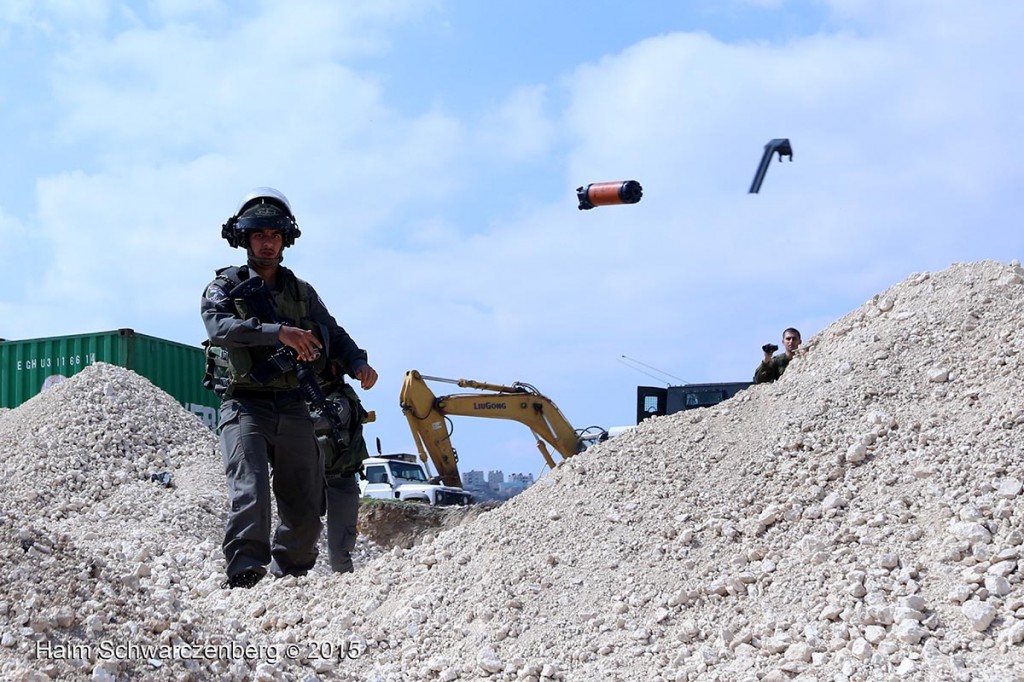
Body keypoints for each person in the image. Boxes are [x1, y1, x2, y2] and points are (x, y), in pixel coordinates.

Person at [201, 187, 378, 589]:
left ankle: (291, 575)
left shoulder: (301, 292)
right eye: (260, 234)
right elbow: (219, 326)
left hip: (295, 404)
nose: (268, 243)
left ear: (285, 240)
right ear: (244, 238)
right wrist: (278, 332)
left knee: (304, 502)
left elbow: (333, 330)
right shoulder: (224, 287)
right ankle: (244, 574)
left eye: (275, 235)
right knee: (251, 489)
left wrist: (357, 363)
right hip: (245, 404)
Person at [313, 361, 371, 573]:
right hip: (310, 478)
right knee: (298, 538)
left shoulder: (342, 399)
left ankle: (343, 584)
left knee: (340, 550)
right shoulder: (304, 395)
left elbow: (325, 419)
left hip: (340, 478)